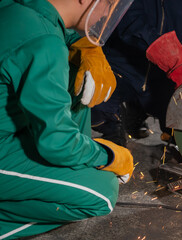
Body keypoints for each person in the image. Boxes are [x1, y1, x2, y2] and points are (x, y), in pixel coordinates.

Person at [0, 0, 134, 238]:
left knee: (78, 80)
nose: (107, 14)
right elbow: (56, 142)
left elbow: (46, 31)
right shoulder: (45, 43)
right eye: (109, 5)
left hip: (7, 133)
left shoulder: (19, 9)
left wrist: (83, 45)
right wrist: (108, 156)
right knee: (101, 193)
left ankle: (73, 161)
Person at [91, 0, 182, 146]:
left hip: (160, 79)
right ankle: (113, 128)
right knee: (91, 93)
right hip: (121, 68)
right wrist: (173, 59)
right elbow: (131, 23)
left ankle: (138, 109)